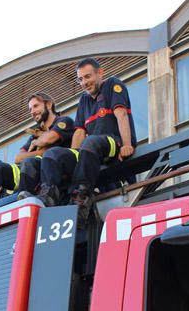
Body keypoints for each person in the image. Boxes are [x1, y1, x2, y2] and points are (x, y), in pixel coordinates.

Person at [0, 92, 75, 211]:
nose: (32, 111)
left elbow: (48, 138)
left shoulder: (64, 121)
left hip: (50, 174)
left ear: (48, 104)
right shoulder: (33, 135)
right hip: (28, 172)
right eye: (30, 109)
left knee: (29, 162)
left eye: (36, 106)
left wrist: (38, 142)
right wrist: (41, 149)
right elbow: (18, 158)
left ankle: (27, 202)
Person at [54, 58, 137, 223]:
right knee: (55, 154)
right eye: (80, 79)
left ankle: (81, 198)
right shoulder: (84, 100)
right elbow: (78, 133)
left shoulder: (113, 84)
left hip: (115, 144)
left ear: (100, 73)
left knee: (90, 141)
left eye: (87, 76)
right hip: (95, 152)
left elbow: (121, 115)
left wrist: (127, 145)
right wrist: (73, 158)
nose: (84, 82)